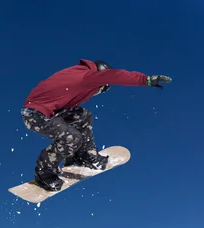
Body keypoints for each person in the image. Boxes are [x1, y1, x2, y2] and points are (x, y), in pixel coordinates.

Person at [21, 60, 172, 191]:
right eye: (100, 89)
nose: (96, 93)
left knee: (83, 116)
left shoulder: (77, 74)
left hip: (45, 110)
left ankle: (85, 156)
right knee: (72, 138)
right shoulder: (89, 76)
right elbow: (115, 75)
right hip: (35, 113)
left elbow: (56, 93)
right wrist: (146, 80)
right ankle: (44, 171)